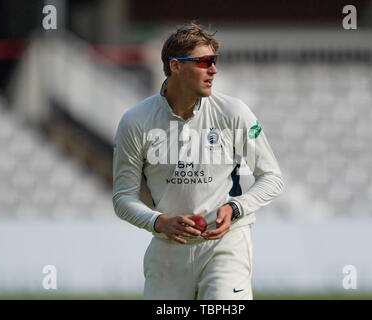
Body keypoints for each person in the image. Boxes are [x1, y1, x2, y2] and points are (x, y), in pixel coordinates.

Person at [112, 22, 283, 300]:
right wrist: (159, 222)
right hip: (167, 248)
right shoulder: (135, 121)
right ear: (176, 66)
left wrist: (236, 207)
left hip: (225, 246)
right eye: (204, 62)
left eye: (214, 61)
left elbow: (272, 178)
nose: (213, 70)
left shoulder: (234, 112)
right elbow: (122, 198)